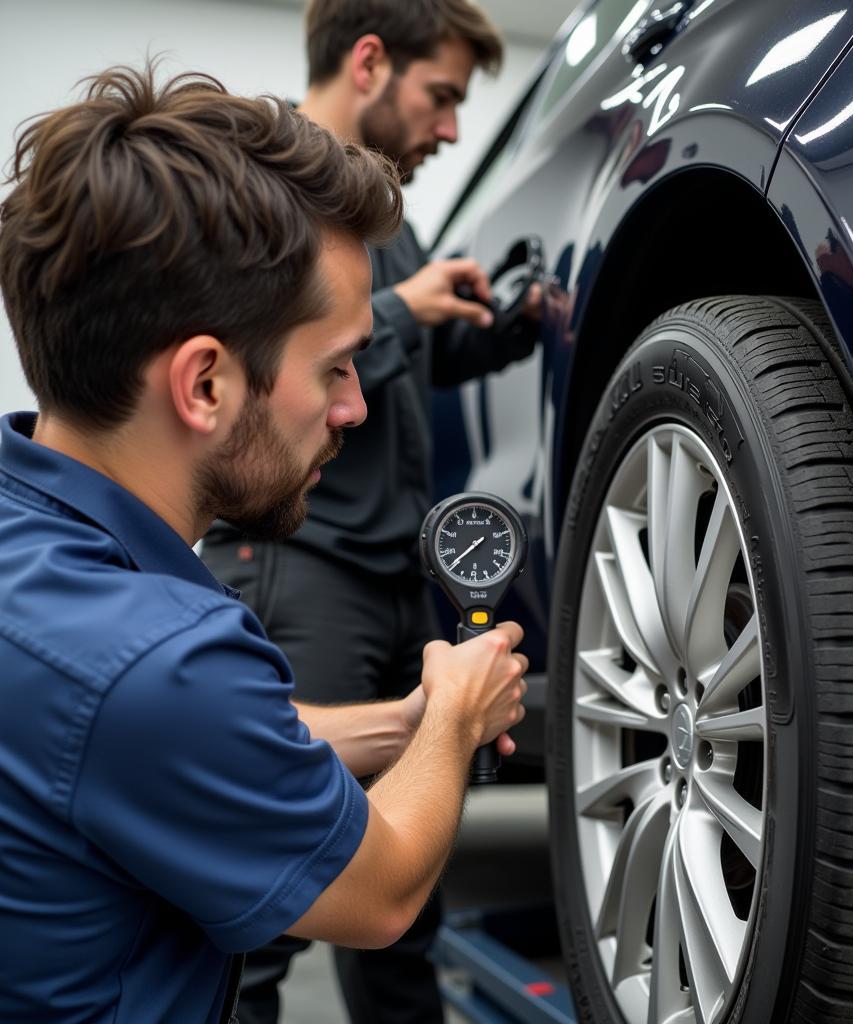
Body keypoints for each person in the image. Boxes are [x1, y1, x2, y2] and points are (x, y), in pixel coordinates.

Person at [0, 63, 528, 1024]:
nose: (357, 408)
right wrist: (455, 716)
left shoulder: (38, 556)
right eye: (334, 368)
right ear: (204, 384)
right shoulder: (159, 658)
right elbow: (383, 893)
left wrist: (401, 725)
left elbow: (170, 745)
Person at [200, 2, 541, 1022]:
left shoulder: (391, 215)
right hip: (301, 567)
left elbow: (396, 370)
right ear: (368, 61)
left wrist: (516, 319)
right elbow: (270, 357)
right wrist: (403, 306)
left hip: (395, 582)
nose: (448, 128)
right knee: (274, 899)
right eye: (439, 97)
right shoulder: (266, 188)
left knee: (410, 892)